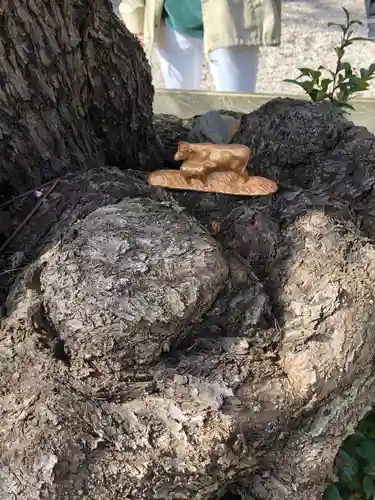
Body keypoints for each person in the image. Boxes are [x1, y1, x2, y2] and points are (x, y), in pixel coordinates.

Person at [111, 0, 281, 93]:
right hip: (172, 18)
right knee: (180, 113)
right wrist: (135, 12)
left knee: (236, 113)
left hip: (235, 18)